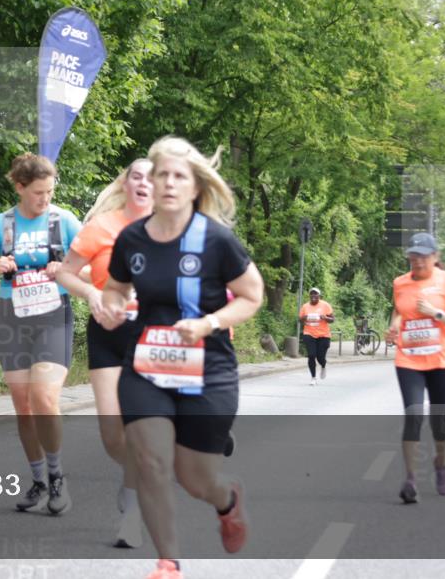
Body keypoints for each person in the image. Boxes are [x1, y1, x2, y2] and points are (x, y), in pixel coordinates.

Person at [101, 136, 263, 579]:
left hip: (208, 369)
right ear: (149, 183)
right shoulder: (132, 239)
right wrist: (111, 304)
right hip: (147, 366)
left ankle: (227, 499)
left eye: (179, 176)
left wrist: (209, 323)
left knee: (196, 480)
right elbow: (116, 288)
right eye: (162, 175)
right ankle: (168, 563)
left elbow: (252, 296)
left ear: (194, 187)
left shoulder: (217, 240)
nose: (169, 183)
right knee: (151, 460)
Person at [0, 153, 82, 515]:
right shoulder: (1, 225)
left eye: (50, 191)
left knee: (44, 398)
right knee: (23, 405)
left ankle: (56, 477)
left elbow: (93, 269)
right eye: (38, 192)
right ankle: (36, 479)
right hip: (13, 319)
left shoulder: (64, 221)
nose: (45, 199)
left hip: (53, 316)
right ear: (20, 188)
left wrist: (63, 269)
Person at [55, 157, 153, 544]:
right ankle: (133, 474)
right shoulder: (101, 228)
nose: (145, 183)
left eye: (153, 177)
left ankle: (132, 508)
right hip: (108, 332)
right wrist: (93, 292)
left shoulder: (172, 228)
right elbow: (64, 272)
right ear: (125, 184)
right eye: (137, 176)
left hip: (152, 335)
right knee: (113, 432)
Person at [384, 232, 445, 504]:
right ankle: (410, 480)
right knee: (413, 415)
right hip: (409, 359)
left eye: (422, 256)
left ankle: (440, 463)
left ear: (435, 257)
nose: (417, 261)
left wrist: (435, 313)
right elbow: (399, 310)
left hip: (443, 361)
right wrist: (394, 326)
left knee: (438, 423)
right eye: (413, 256)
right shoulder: (400, 283)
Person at [299, 287, 334, 385]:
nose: (313, 296)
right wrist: (304, 318)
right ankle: (313, 378)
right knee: (311, 355)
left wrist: (325, 317)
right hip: (309, 333)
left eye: (316, 294)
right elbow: (300, 320)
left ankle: (323, 365)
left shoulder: (325, 305)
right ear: (309, 296)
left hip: (324, 335)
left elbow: (332, 319)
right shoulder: (305, 307)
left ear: (319, 296)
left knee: (320, 357)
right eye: (312, 294)